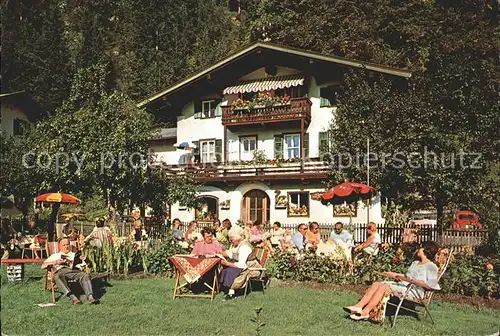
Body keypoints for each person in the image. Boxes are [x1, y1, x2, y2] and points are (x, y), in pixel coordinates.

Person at [344, 241, 440, 321]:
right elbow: (406, 276)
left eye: (421, 248)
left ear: (426, 250)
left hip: (415, 292)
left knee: (384, 287)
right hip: (404, 286)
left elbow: (430, 286)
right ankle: (359, 307)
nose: (419, 249)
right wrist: (392, 274)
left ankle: (365, 312)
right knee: (377, 283)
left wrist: (413, 281)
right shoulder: (415, 263)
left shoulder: (431, 267)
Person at [42, 239, 98, 305]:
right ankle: (73, 298)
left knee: (85, 275)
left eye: (67, 244)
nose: (66, 246)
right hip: (61, 272)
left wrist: (84, 259)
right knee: (57, 276)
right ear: (60, 246)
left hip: (75, 271)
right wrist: (56, 262)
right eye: (64, 245)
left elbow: (89, 265)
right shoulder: (55, 256)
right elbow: (43, 266)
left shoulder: (75, 255)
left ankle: (90, 297)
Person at [219, 231, 263, 300]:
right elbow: (233, 254)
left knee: (230, 271)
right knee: (226, 269)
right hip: (243, 264)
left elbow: (241, 264)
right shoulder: (238, 245)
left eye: (232, 240)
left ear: (237, 239)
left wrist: (228, 264)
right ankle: (228, 290)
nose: (231, 242)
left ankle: (231, 293)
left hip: (251, 267)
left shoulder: (245, 247)